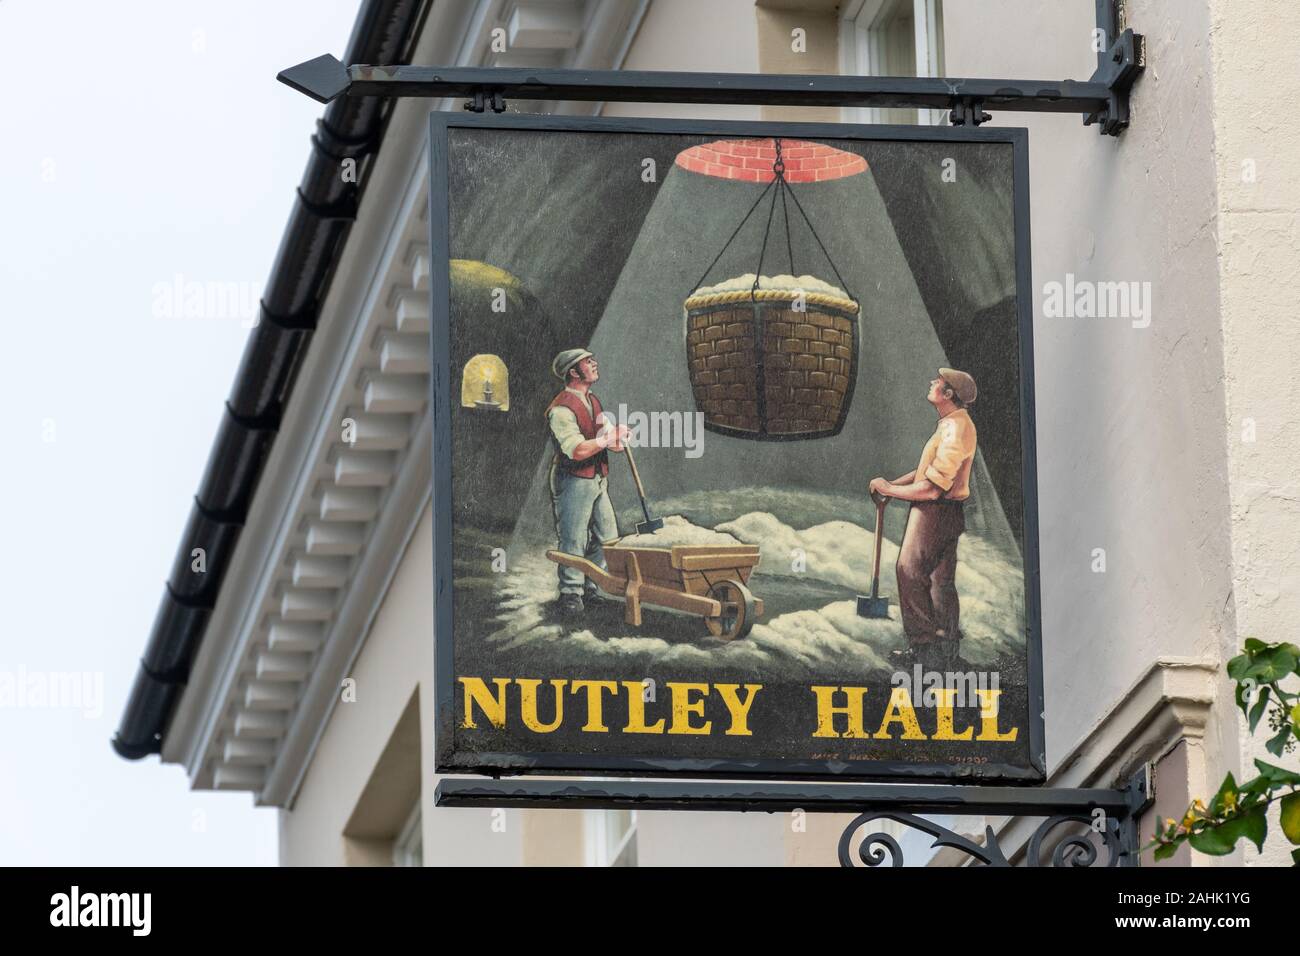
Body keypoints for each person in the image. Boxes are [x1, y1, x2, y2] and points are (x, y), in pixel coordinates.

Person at [868, 368, 978, 668]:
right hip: (947, 513)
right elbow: (926, 474)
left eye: (938, 383)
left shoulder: (954, 429)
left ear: (948, 394)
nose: (932, 383)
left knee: (909, 571)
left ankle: (925, 651)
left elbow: (932, 488)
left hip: (934, 513)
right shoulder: (952, 425)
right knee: (939, 581)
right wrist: (894, 486)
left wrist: (890, 488)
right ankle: (946, 652)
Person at [545, 348, 630, 616]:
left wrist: (617, 440)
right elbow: (577, 450)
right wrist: (607, 439)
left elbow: (603, 442)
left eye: (593, 359)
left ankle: (590, 584)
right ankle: (570, 593)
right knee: (574, 538)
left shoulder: (594, 402)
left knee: (608, 538)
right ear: (573, 372)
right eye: (587, 362)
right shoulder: (560, 410)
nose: (594, 364)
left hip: (596, 478)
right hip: (572, 480)